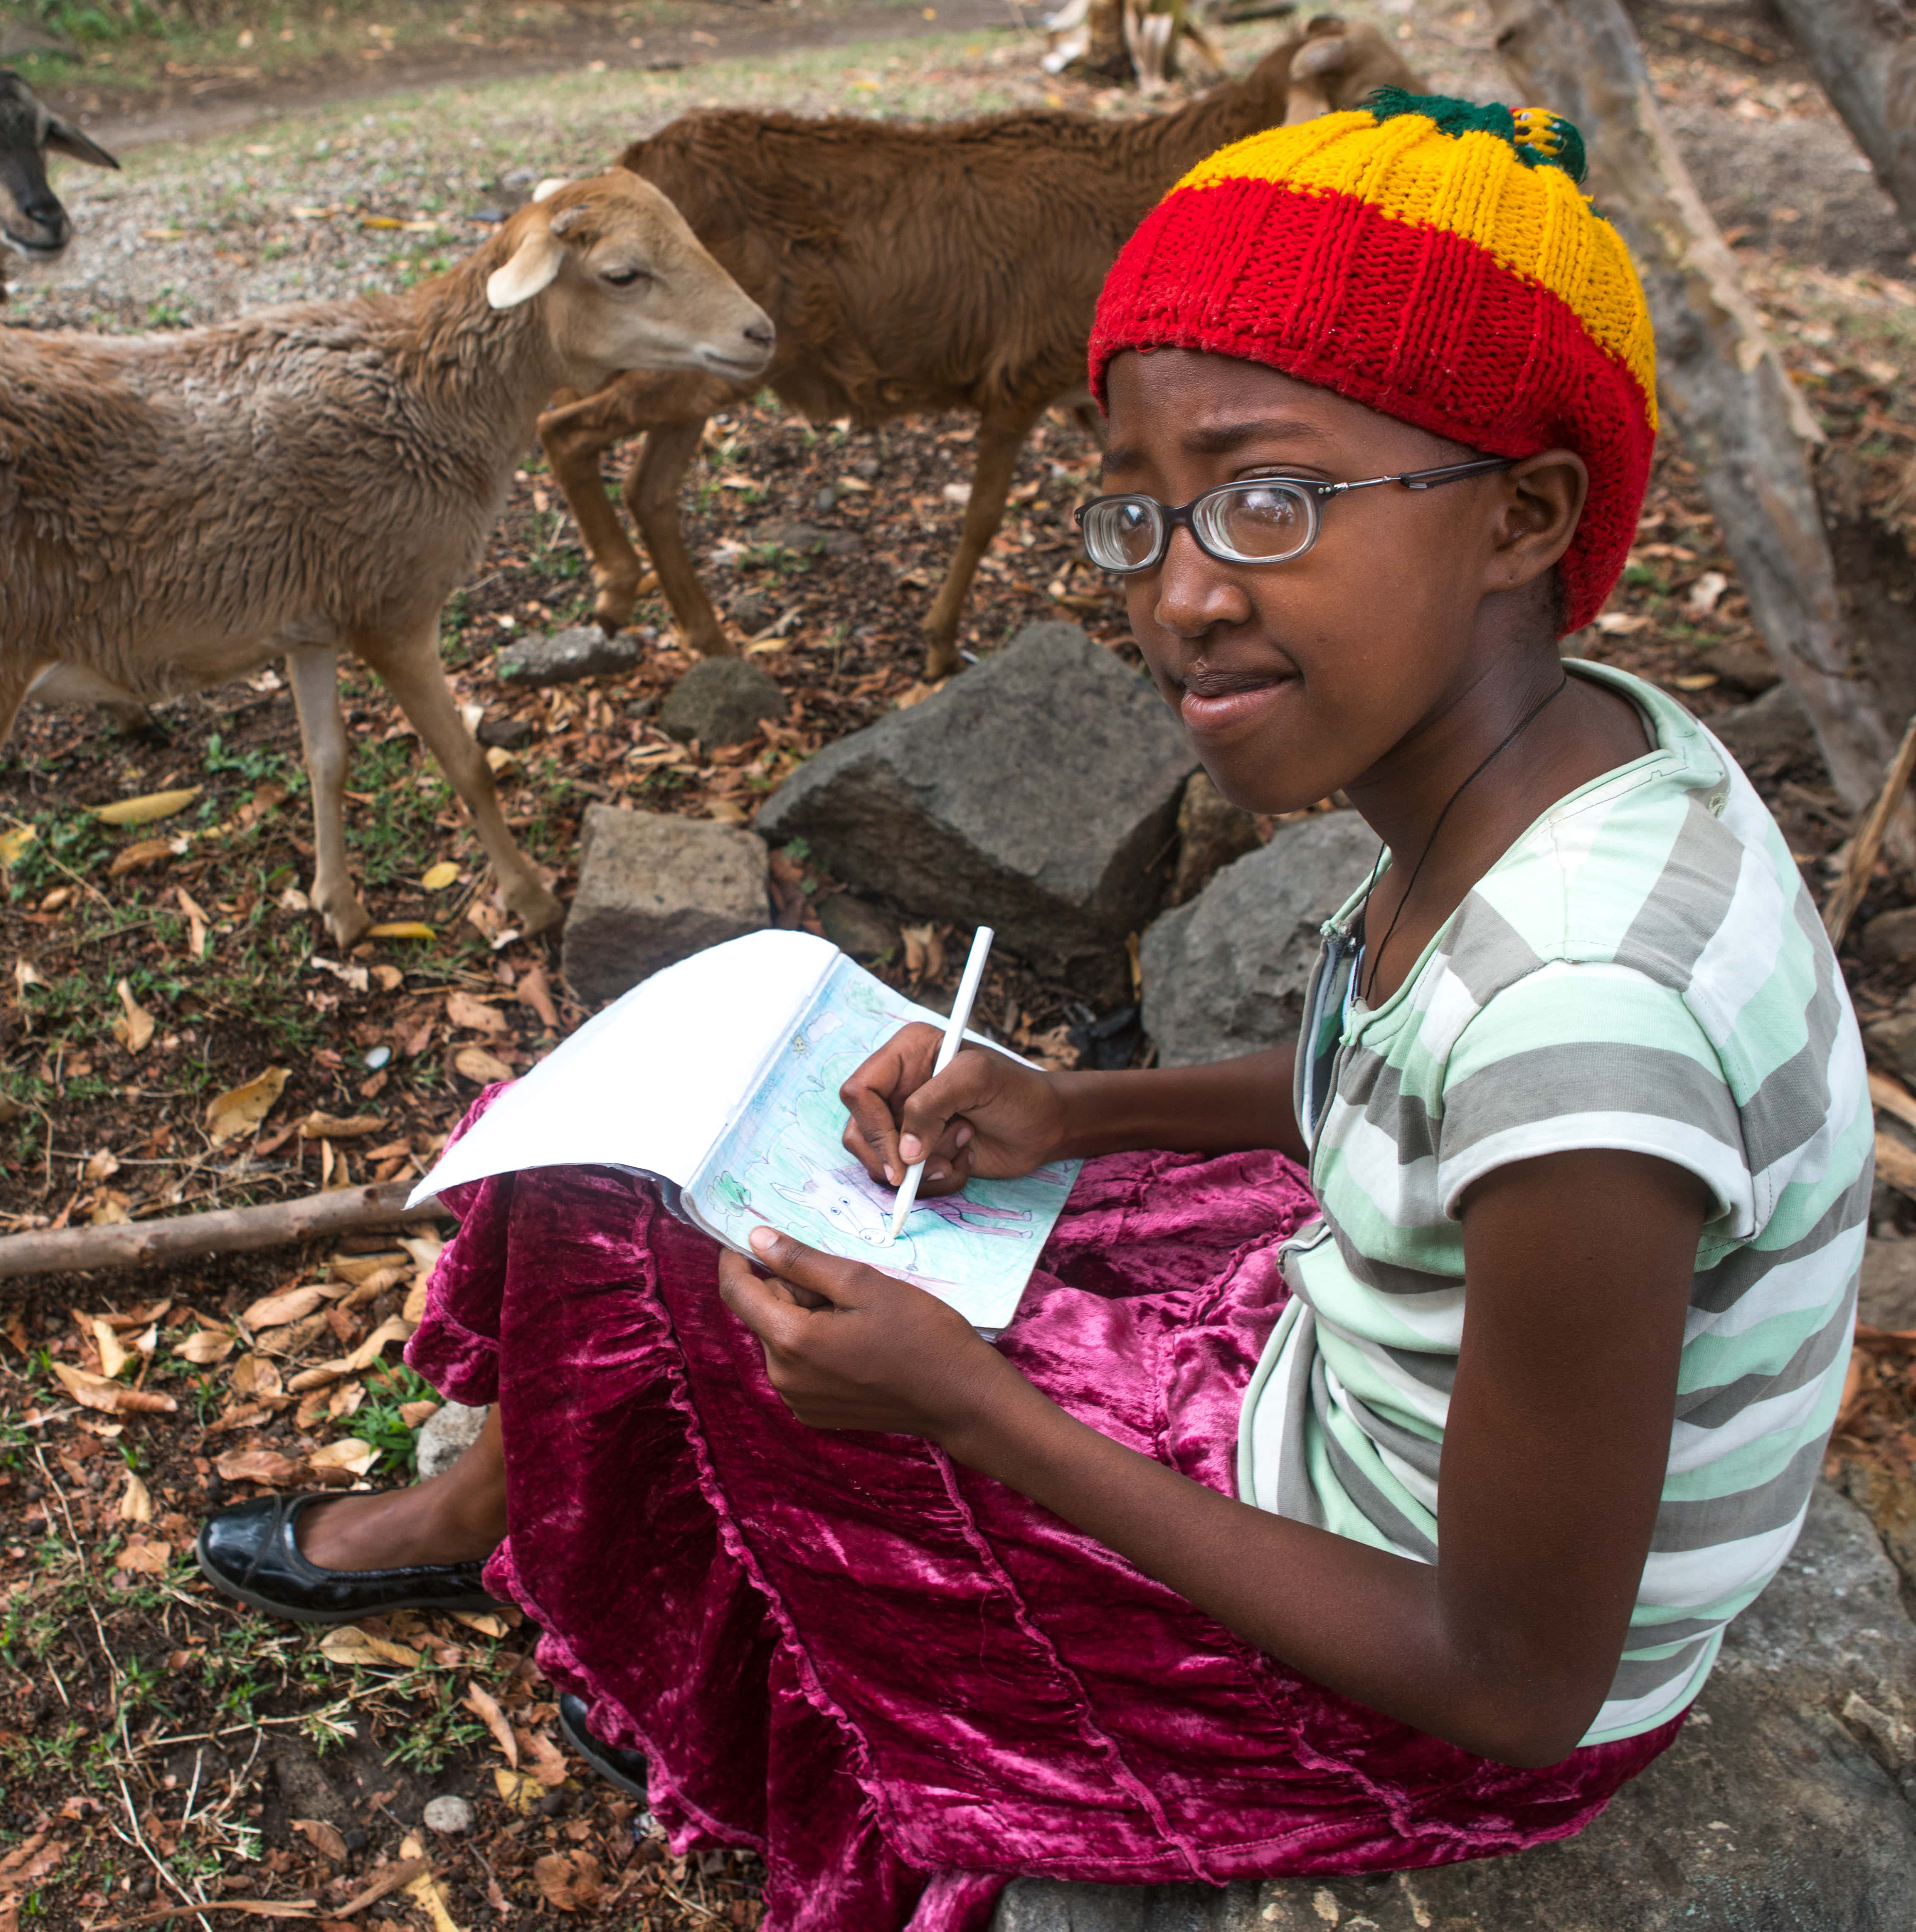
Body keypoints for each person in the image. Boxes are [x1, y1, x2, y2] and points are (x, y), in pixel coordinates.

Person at [195, 93, 1871, 1930]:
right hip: (1362, 1396)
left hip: (1389, 1687)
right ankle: (534, 1514)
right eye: (1139, 512)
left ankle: (506, 1538)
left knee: (621, 1226)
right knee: (798, 1185)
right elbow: (1403, 1105)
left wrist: (978, 1414)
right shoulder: (1579, 766)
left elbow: (1509, 1681)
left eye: (1266, 496)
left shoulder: (1585, 1015)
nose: (1179, 594)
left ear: (1523, 513)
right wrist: (1074, 1113)